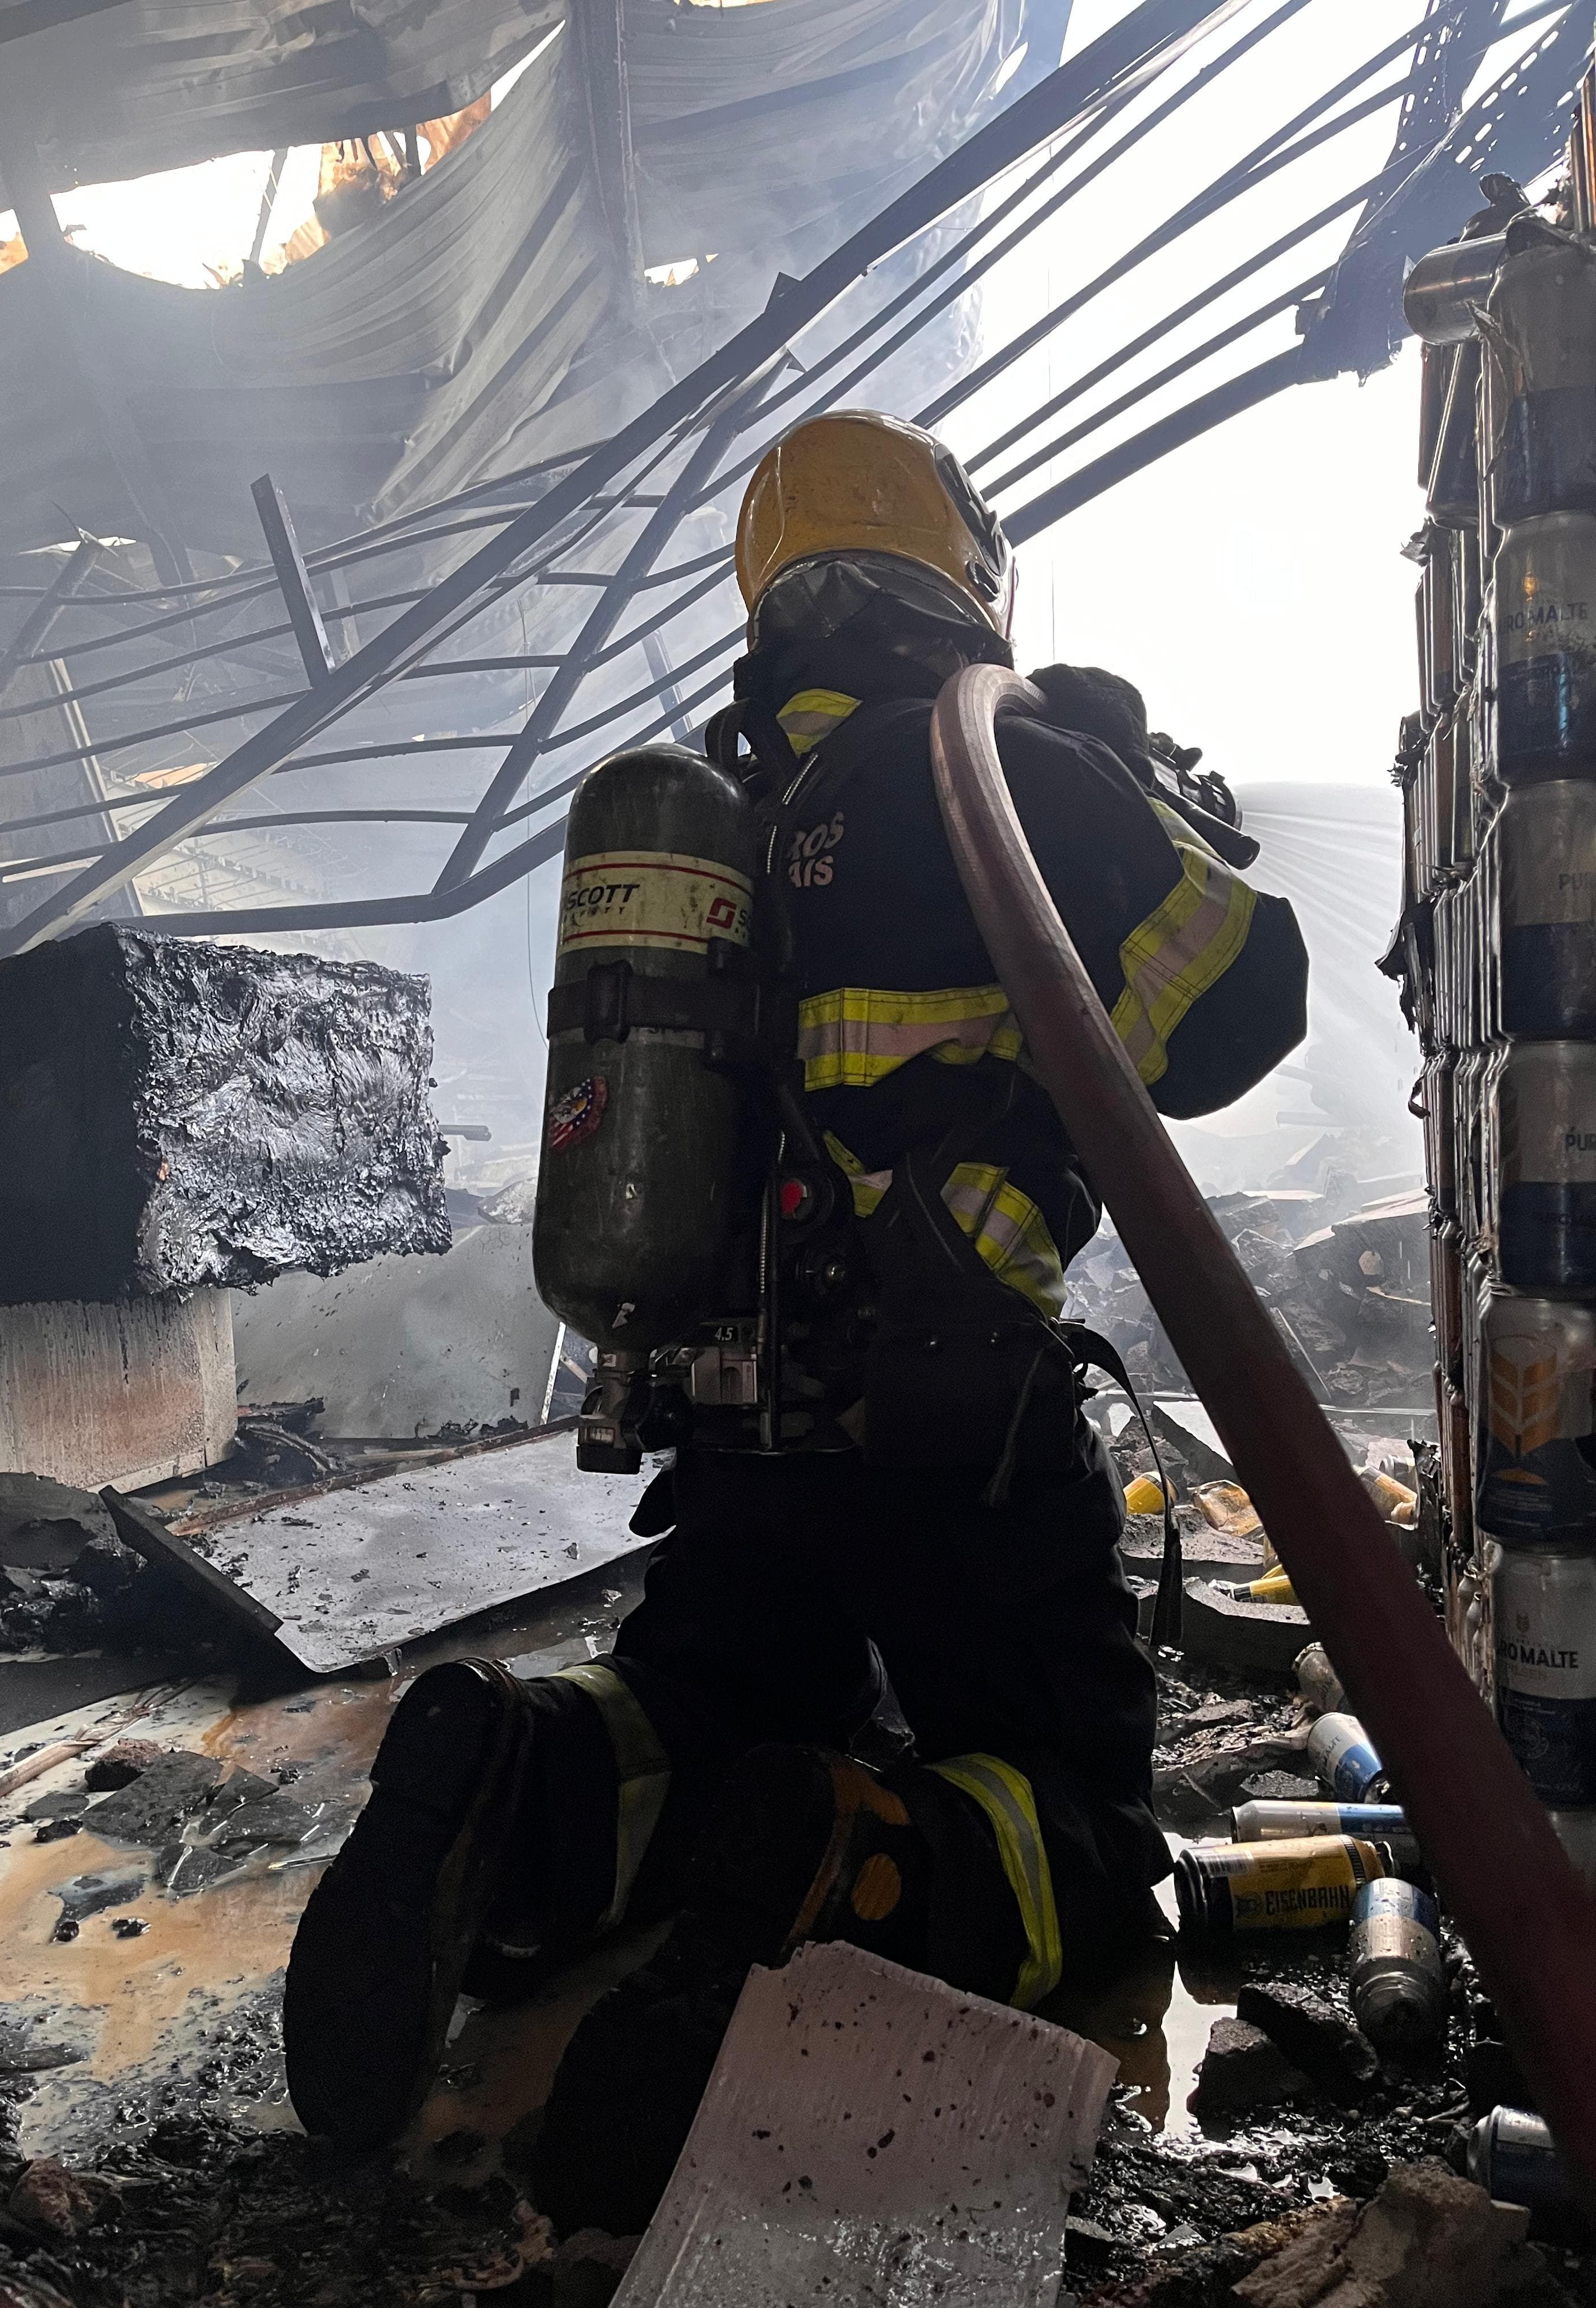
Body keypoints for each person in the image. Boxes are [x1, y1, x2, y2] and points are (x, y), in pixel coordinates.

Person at [282, 411, 1309, 2226]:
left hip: (735, 1441)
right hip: (955, 1423)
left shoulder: (716, 819)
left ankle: (517, 1776)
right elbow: (1244, 1012)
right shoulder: (992, 765)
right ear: (958, 574)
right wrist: (1137, 775)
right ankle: (856, 1866)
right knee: (1078, 1815)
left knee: (700, 1698)